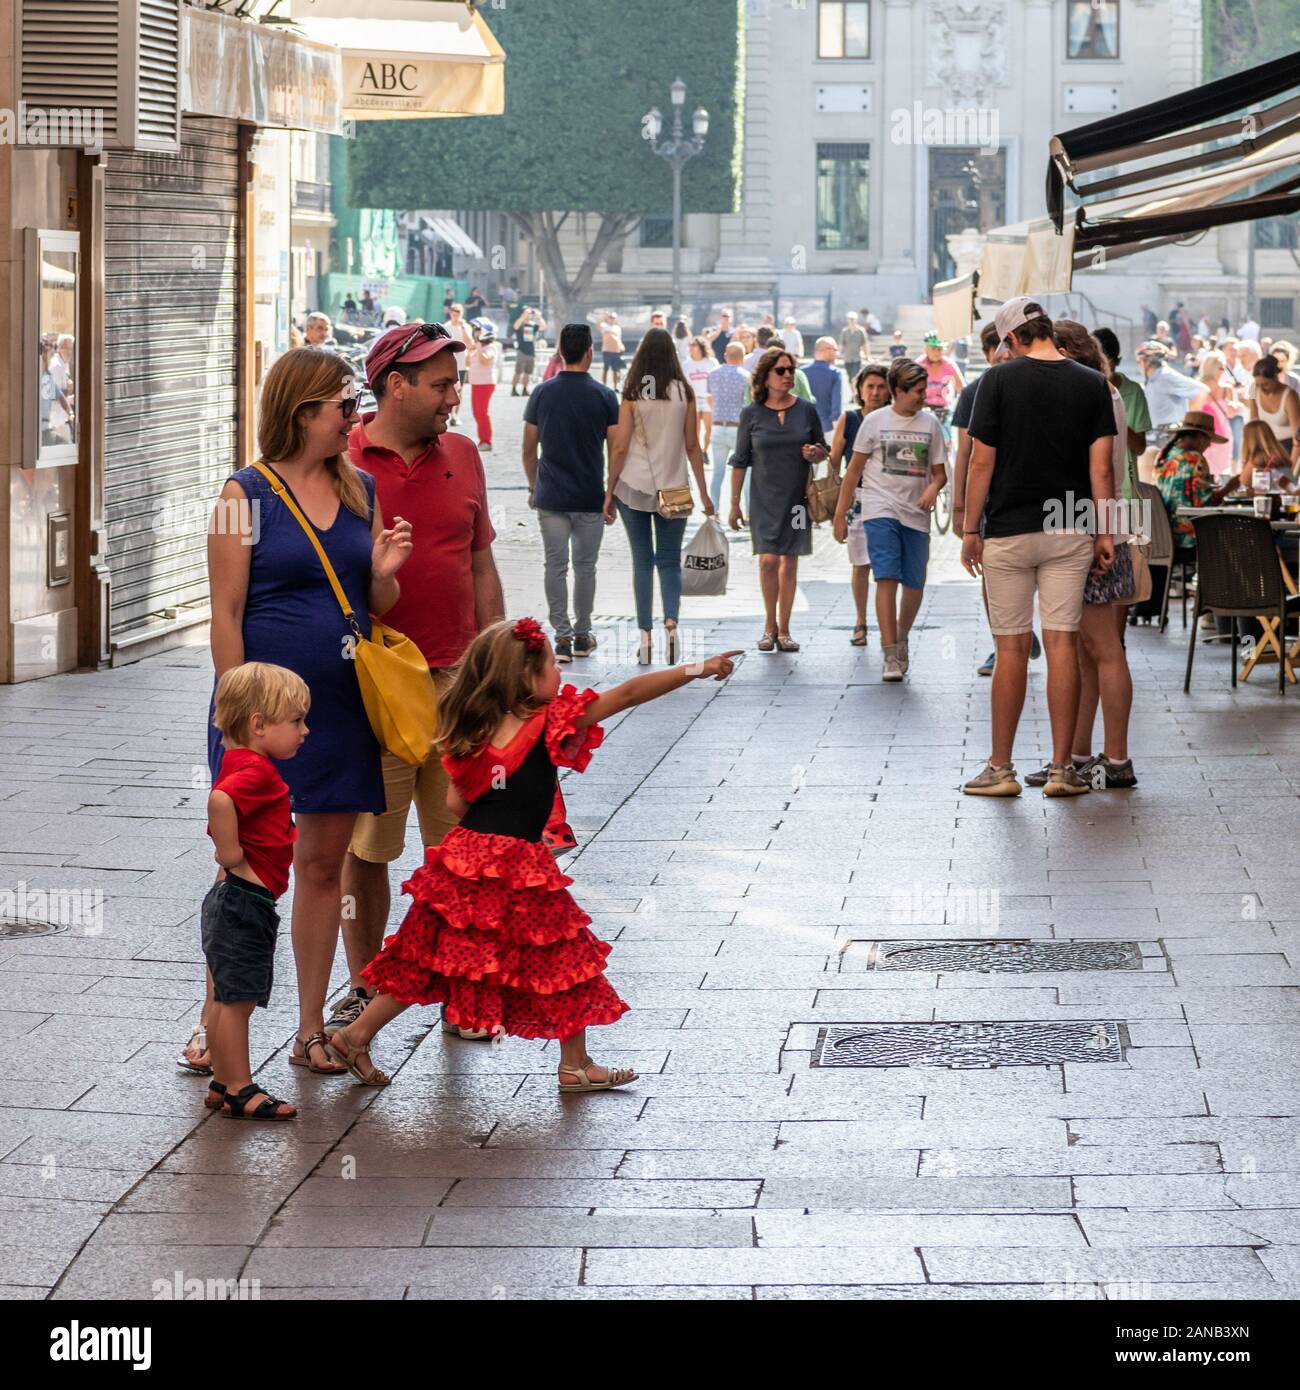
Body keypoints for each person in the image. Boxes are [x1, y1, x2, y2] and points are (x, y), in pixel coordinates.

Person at [323, 618, 741, 1091]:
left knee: (429, 957)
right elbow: (625, 695)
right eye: (551, 666)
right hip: (517, 863)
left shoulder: (472, 730)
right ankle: (575, 1064)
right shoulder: (546, 723)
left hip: (462, 860)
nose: (560, 673)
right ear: (526, 677)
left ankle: (356, 1035)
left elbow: (456, 805)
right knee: (563, 956)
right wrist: (697, 668)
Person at [204, 347, 412, 1078]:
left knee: (324, 867)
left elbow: (373, 606)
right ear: (301, 412)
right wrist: (241, 722)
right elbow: (226, 614)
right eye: (343, 407)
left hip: (342, 710)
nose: (354, 419)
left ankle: (308, 1028)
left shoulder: (361, 489)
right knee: (250, 872)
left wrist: (383, 576)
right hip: (262, 719)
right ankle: (218, 1024)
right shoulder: (245, 493)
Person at [330, 322, 503, 1043]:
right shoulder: (339, 456)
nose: (452, 398)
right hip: (377, 681)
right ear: (394, 386)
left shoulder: (462, 453)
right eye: (439, 385)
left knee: (461, 849)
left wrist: (502, 665)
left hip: (461, 682)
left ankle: (463, 991)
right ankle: (365, 984)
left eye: (454, 383)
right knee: (365, 848)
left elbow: (481, 561)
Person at [960, 296, 1116, 799]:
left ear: (1011, 339)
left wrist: (969, 530)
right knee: (1063, 643)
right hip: (1071, 528)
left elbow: (981, 463)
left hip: (1009, 528)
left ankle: (1001, 770)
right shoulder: (1092, 383)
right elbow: (1102, 470)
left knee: (1010, 648)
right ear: (1047, 329)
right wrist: (1106, 532)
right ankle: (1061, 770)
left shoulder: (997, 381)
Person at [1027, 321, 1137, 791]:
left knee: (1102, 648)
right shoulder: (1095, 391)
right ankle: (1075, 755)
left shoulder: (1097, 392)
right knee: (1078, 650)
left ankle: (1115, 759)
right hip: (1083, 522)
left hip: (1094, 527)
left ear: (1069, 350)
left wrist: (1103, 534)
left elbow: (1104, 472)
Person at [202, 662, 308, 1121]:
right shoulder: (258, 771)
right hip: (245, 900)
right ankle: (241, 1088)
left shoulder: (240, 759)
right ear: (259, 725)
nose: (305, 731)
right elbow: (221, 800)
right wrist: (230, 855)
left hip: (237, 900)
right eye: (297, 721)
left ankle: (223, 1081)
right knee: (237, 1000)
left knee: (229, 995)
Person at [605, 328, 715, 665]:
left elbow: (620, 446)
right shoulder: (684, 392)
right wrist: (705, 493)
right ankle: (671, 623)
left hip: (633, 486)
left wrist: (608, 490)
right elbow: (693, 446)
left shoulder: (633, 391)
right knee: (669, 561)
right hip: (675, 488)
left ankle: (645, 637)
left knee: (642, 561)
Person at [832, 359, 945, 680]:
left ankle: (901, 633)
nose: (925, 396)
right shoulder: (875, 422)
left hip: (916, 515)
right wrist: (840, 515)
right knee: (885, 576)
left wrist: (933, 490)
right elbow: (853, 471)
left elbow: (940, 474)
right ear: (900, 391)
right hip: (879, 509)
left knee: (914, 583)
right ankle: (890, 653)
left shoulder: (930, 425)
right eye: (919, 391)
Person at [523, 323, 619, 661]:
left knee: (555, 565)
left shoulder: (542, 392)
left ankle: (561, 638)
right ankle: (582, 634)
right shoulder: (605, 395)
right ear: (590, 351)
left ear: (561, 352)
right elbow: (617, 450)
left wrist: (534, 486)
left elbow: (527, 448)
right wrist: (611, 493)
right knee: (586, 567)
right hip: (590, 495)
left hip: (551, 495)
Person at [950, 321, 1039, 679]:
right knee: (991, 578)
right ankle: (1001, 640)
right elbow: (965, 453)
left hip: (1028, 497)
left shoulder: (1033, 385)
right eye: (996, 349)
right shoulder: (974, 392)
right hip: (989, 500)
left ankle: (1023, 631)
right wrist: (960, 507)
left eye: (1007, 347)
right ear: (987, 353)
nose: (1003, 355)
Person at [730, 346, 829, 652]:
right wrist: (733, 503)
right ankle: (768, 626)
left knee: (790, 561)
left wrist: (815, 453)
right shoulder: (752, 413)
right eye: (781, 370)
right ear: (766, 376)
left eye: (791, 370)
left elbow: (824, 449)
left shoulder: (807, 410)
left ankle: (784, 630)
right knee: (768, 561)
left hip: (797, 499)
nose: (788, 376)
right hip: (763, 497)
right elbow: (740, 459)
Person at [830, 365, 891, 646]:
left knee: (886, 565)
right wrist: (838, 510)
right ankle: (861, 620)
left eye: (881, 387)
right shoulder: (851, 418)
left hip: (889, 497)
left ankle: (886, 623)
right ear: (860, 390)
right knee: (860, 563)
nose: (876, 392)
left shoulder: (892, 419)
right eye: (870, 387)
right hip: (859, 497)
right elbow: (835, 458)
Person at [1155, 411, 1239, 552]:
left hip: (1163, 534)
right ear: (1201, 438)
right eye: (1208, 441)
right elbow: (1205, 505)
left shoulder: (1163, 455)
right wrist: (1229, 488)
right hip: (1188, 536)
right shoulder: (1195, 458)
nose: (1209, 446)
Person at [708, 342, 752, 525]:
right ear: (742, 358)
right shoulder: (746, 376)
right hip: (738, 428)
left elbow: (711, 398)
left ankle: (714, 512)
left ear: (726, 355)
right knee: (746, 471)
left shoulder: (713, 374)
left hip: (717, 426)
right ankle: (749, 513)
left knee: (717, 473)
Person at [1189, 350, 1236, 477]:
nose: (1223, 371)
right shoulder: (1198, 388)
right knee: (1209, 469)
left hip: (1213, 434)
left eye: (1224, 368)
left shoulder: (1226, 388)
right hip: (1210, 434)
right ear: (1211, 368)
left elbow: (1191, 410)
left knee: (1212, 470)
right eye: (1221, 368)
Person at [1248, 355, 1300, 464]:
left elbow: (1298, 440)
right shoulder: (1253, 389)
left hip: (1289, 448)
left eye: (1266, 384)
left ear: (1276, 378)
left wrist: (1291, 470)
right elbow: (1253, 424)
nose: (1261, 389)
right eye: (1258, 384)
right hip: (1265, 446)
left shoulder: (1290, 396)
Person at [1137, 340, 1202, 427]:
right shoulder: (1152, 379)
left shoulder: (1165, 376)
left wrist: (1186, 421)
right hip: (1156, 437)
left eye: (1139, 361)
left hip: (1169, 437)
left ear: (1146, 361)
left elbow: (1202, 392)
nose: (1139, 365)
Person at [466, 319, 499, 452]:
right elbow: (469, 363)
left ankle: (486, 441)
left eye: (479, 330)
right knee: (476, 413)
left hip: (485, 383)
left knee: (482, 413)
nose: (476, 333)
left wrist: (478, 347)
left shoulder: (491, 348)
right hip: (476, 383)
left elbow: (485, 360)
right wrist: (471, 349)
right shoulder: (478, 347)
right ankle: (482, 439)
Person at [922, 334, 965, 432]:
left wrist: (959, 407)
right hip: (924, 407)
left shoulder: (949, 364)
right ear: (926, 349)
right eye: (933, 349)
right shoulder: (920, 364)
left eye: (940, 349)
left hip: (944, 408)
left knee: (945, 440)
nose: (937, 352)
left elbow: (962, 388)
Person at [1239, 419, 1297, 492]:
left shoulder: (1256, 461)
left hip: (1270, 501)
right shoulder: (1282, 456)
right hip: (1290, 499)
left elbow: (1241, 485)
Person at [804, 336, 844, 435]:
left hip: (802, 427)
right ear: (826, 350)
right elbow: (836, 407)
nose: (837, 353)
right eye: (835, 349)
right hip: (826, 427)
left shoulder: (801, 372)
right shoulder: (835, 373)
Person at [683, 337, 716, 452]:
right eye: (690, 345)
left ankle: (705, 451)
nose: (691, 347)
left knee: (709, 428)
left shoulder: (710, 362)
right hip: (693, 399)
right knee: (695, 428)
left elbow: (716, 380)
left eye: (694, 345)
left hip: (708, 398)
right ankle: (697, 451)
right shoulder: (686, 364)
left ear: (700, 347)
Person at [445, 302, 474, 427]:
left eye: (458, 315)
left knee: (460, 389)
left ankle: (455, 414)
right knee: (448, 388)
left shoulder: (466, 327)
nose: (456, 317)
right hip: (448, 362)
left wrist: (463, 328)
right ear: (450, 314)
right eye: (453, 314)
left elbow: (470, 343)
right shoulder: (446, 326)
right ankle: (448, 413)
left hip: (462, 363)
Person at [511, 306, 546, 396]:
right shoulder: (520, 323)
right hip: (521, 351)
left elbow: (543, 327)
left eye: (530, 313)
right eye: (527, 313)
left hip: (531, 352)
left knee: (527, 373)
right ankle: (514, 389)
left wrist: (539, 317)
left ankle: (525, 389)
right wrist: (524, 316)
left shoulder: (533, 325)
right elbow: (515, 326)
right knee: (518, 372)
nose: (529, 315)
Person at [599, 310, 625, 389]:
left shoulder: (617, 328)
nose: (612, 319)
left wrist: (622, 347)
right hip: (606, 351)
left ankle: (615, 387)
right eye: (610, 317)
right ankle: (604, 385)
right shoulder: (604, 326)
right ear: (608, 318)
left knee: (616, 370)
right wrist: (604, 316)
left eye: (613, 317)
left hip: (616, 352)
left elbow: (619, 339)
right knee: (606, 369)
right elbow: (599, 323)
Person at [840, 313, 867, 380]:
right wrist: (839, 352)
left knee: (855, 376)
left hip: (857, 358)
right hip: (847, 357)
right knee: (849, 377)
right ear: (848, 320)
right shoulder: (845, 331)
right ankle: (852, 390)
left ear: (856, 320)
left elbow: (864, 344)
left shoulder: (861, 331)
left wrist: (867, 355)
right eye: (850, 319)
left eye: (853, 319)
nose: (851, 321)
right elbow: (842, 344)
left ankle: (855, 390)